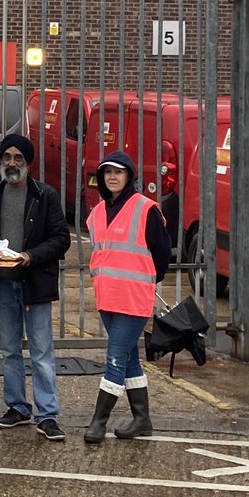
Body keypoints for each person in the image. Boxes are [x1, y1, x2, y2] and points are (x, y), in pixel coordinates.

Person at [0, 133, 71, 441]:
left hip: (34, 284)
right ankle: (17, 407)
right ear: (1, 161)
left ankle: (47, 414)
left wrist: (30, 256)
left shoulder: (46, 196)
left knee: (42, 351)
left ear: (28, 163)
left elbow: (61, 239)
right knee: (9, 351)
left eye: (19, 158)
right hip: (3, 284)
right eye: (7, 157)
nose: (12, 163)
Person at [84, 150, 171, 444]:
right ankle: (142, 418)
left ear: (129, 177)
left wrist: (147, 280)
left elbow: (162, 254)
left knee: (116, 356)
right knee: (130, 357)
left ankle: (99, 421)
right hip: (107, 297)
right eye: (107, 172)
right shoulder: (96, 214)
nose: (112, 177)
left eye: (118, 172)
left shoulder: (145, 209)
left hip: (133, 298)